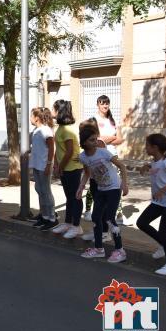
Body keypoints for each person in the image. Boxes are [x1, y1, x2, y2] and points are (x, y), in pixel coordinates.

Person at [76, 125, 129, 263]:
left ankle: (120, 250)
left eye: (96, 139)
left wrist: (124, 184)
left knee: (110, 219)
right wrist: (81, 188)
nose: (96, 142)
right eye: (92, 140)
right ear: (85, 142)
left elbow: (122, 166)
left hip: (113, 188)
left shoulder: (104, 153)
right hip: (100, 189)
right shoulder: (82, 157)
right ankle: (99, 249)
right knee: (95, 217)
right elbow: (87, 173)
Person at [83, 95, 129, 225]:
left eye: (107, 103)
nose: (105, 106)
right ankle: (91, 213)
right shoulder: (93, 120)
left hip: (112, 156)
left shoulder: (113, 120)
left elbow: (120, 139)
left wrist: (105, 138)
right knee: (97, 187)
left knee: (115, 186)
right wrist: (110, 138)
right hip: (98, 158)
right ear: (98, 104)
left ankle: (116, 215)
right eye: (102, 103)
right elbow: (96, 139)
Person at [137, 134, 166, 276]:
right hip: (159, 202)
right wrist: (145, 166)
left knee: (164, 232)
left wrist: (163, 189)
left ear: (155, 147)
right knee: (142, 222)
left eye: (147, 145)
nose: (145, 148)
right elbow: (155, 167)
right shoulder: (156, 162)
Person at [50, 100, 84, 239]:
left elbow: (69, 152)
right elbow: (59, 149)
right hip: (65, 168)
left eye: (54, 109)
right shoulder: (61, 128)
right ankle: (68, 223)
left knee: (75, 197)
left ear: (59, 111)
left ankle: (77, 226)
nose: (52, 111)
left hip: (73, 168)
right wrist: (56, 165)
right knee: (69, 197)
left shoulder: (68, 129)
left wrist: (60, 167)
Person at [28, 108, 58, 230]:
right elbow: (39, 147)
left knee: (46, 191)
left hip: (43, 165)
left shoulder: (45, 130)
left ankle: (52, 218)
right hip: (36, 165)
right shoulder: (36, 130)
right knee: (39, 189)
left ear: (37, 117)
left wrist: (49, 164)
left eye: (31, 116)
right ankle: (44, 216)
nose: (30, 118)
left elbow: (51, 148)